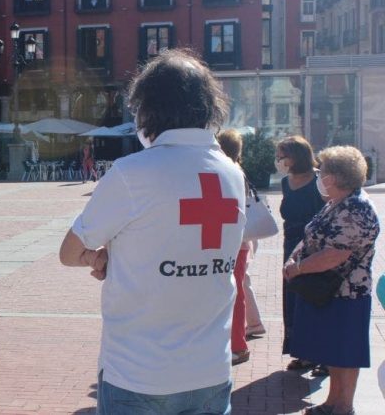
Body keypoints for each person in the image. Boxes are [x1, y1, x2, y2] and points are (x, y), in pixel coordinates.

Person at [60, 49, 245, 414]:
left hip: (139, 374)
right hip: (210, 370)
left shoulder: (133, 173)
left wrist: (98, 256)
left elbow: (68, 252)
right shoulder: (231, 174)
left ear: (147, 109)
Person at [283, 146, 379, 415]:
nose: (318, 175)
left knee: (346, 354)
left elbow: (334, 255)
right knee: (334, 352)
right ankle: (332, 403)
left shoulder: (356, 208)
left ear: (335, 176)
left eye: (322, 171)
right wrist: (294, 258)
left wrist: (298, 268)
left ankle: (343, 406)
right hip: (329, 293)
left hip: (347, 293)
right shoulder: (337, 202)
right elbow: (311, 236)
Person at [276, 136, 326, 373]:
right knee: (293, 299)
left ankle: (322, 354)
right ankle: (302, 353)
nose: (279, 160)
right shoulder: (286, 182)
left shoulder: (319, 180)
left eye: (282, 155)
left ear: (296, 156)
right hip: (290, 245)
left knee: (314, 298)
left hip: (313, 248)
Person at [216, 128, 256, 366]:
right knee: (231, 292)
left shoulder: (231, 173)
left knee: (235, 292)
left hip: (234, 243)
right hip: (228, 240)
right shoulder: (233, 171)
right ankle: (232, 343)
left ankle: (238, 345)